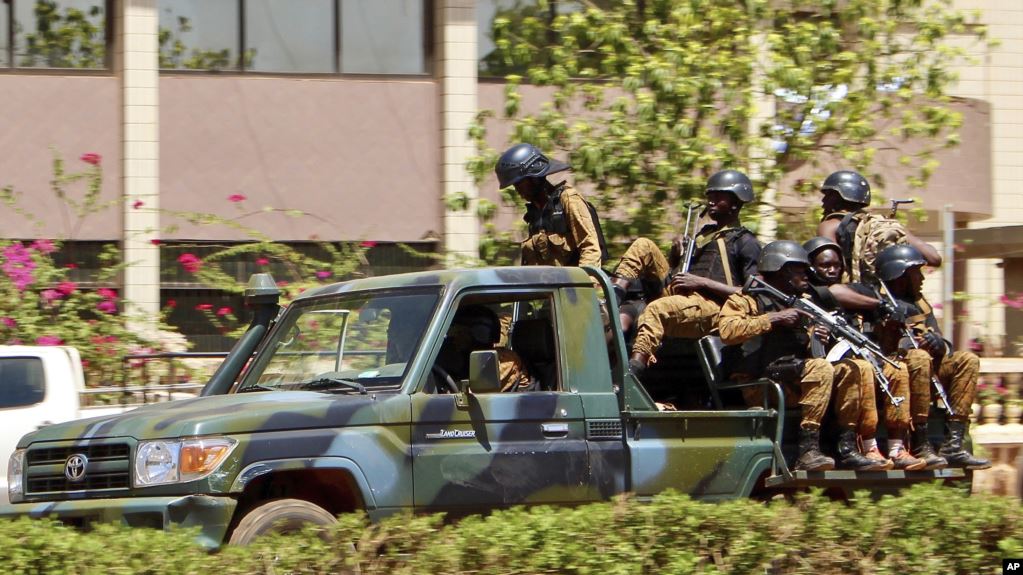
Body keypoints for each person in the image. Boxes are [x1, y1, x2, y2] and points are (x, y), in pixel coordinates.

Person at [717, 241, 884, 471]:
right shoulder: (746, 300)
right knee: (820, 368)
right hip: (761, 384)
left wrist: (817, 336)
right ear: (781, 269)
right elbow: (728, 331)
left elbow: (808, 351)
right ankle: (807, 451)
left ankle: (847, 448)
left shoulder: (802, 303)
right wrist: (774, 319)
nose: (808, 275)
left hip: (794, 377)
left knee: (853, 368)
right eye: (800, 270)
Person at [803, 237, 925, 470]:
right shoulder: (811, 296)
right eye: (824, 265)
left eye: (837, 265)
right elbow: (833, 293)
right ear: (810, 267)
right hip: (828, 368)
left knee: (897, 369)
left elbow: (883, 341)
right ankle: (867, 446)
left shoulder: (857, 292)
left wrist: (891, 324)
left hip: (862, 360)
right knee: (862, 368)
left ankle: (897, 448)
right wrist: (876, 305)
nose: (832, 270)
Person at [628, 170, 762, 373]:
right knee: (643, 245)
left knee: (657, 309)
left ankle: (634, 369)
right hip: (683, 297)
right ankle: (615, 290)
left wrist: (701, 283)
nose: (711, 201)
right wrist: (675, 256)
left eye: (719, 197)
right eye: (710, 196)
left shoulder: (745, 242)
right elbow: (677, 273)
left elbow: (753, 297)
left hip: (715, 307)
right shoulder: (702, 236)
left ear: (736, 202)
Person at [872, 244, 991, 469]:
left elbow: (941, 341)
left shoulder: (919, 302)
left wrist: (939, 344)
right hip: (894, 376)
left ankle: (954, 444)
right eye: (916, 272)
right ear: (900, 274)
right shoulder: (876, 302)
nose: (922, 278)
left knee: (967, 359)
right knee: (918, 357)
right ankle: (920, 441)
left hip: (929, 372)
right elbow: (877, 349)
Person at [816, 170, 941, 284]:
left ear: (839, 196)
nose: (823, 201)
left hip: (855, 298)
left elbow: (829, 269)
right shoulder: (888, 225)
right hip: (893, 299)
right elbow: (934, 259)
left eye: (828, 195)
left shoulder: (829, 226)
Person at [495, 143, 605, 268]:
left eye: (520, 184)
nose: (518, 190)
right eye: (515, 186)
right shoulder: (534, 215)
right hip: (545, 285)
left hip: (572, 284)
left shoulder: (568, 199)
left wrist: (585, 284)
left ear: (535, 178)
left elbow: (590, 248)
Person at [436, 305, 534, 392]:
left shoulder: (505, 360)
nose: (453, 337)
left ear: (477, 334)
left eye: (459, 332)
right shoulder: (464, 355)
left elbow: (473, 395)